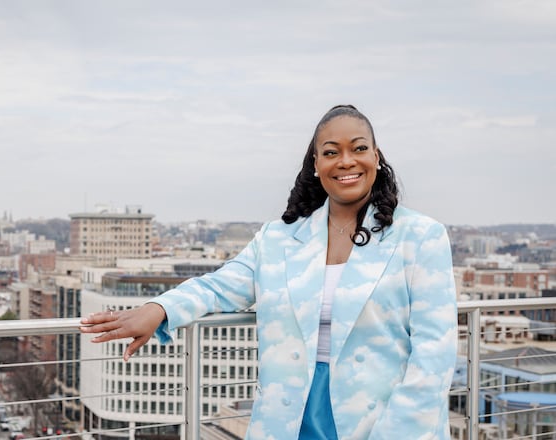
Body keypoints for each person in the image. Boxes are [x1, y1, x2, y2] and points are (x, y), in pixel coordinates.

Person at [80, 105, 457, 439]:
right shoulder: (279, 238)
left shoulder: (420, 237)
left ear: (376, 157)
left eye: (359, 148)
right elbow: (219, 286)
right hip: (289, 418)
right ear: (315, 164)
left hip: (383, 419)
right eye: (331, 152)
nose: (346, 161)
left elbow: (434, 354)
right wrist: (159, 309)